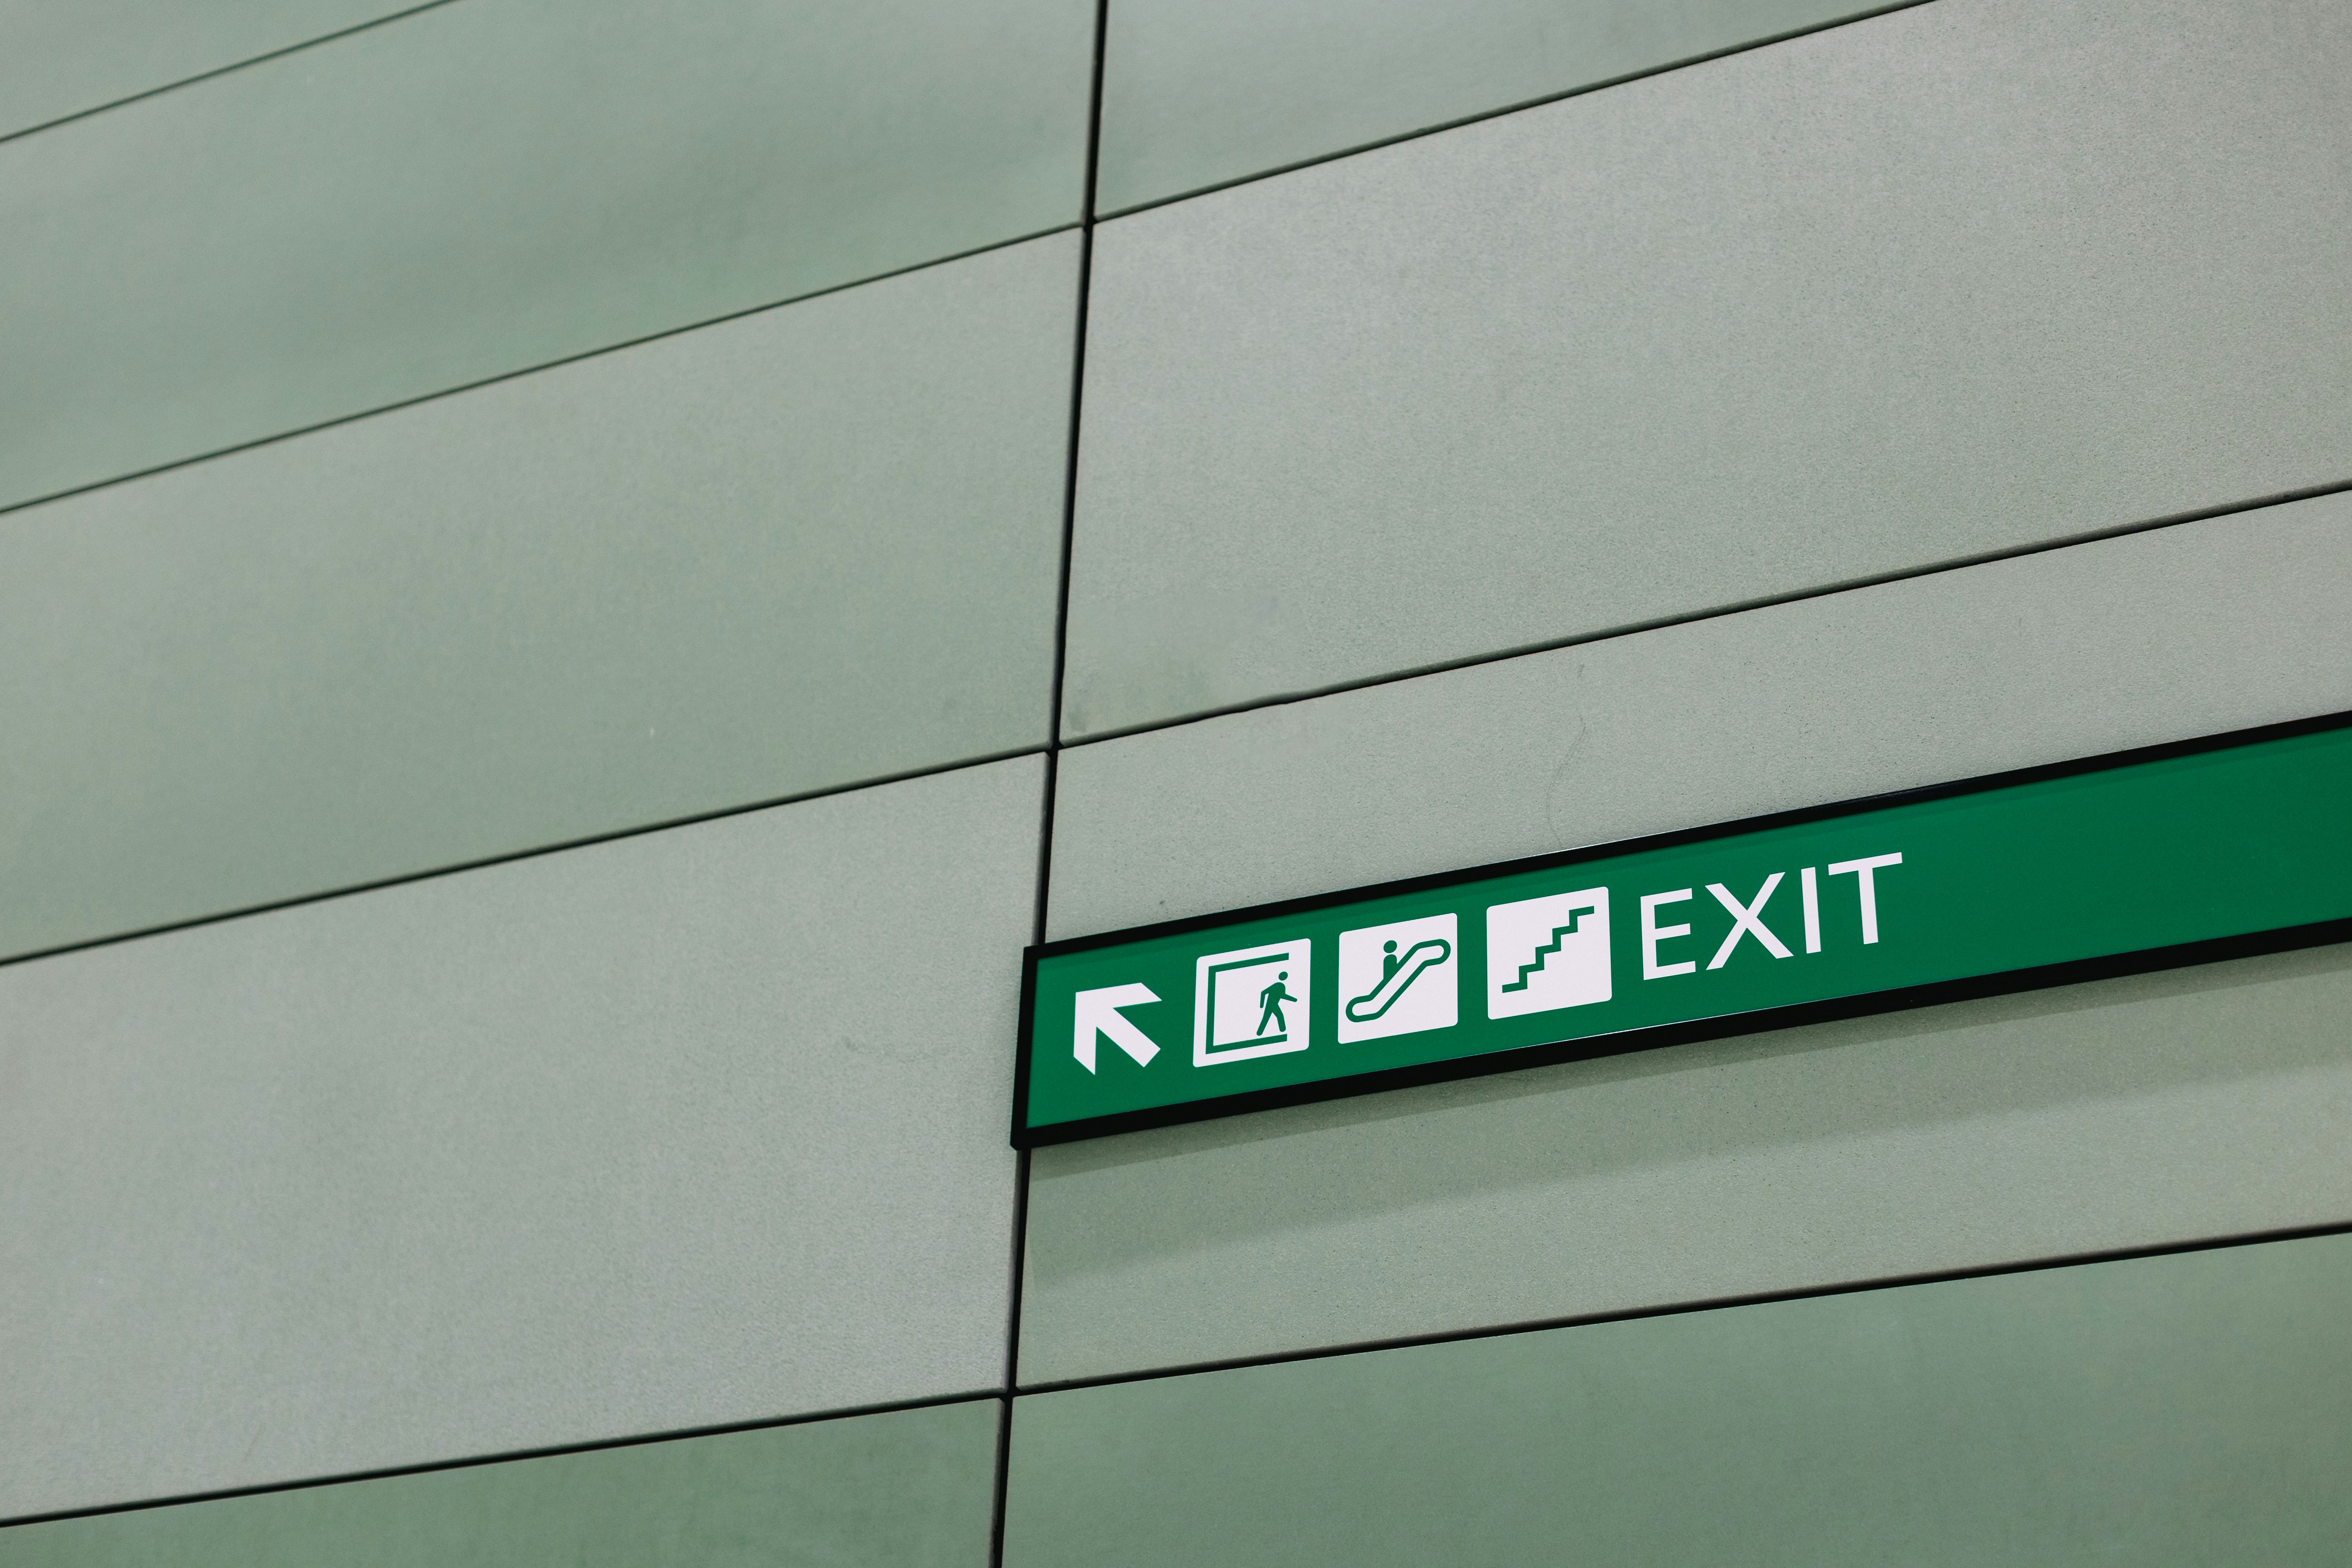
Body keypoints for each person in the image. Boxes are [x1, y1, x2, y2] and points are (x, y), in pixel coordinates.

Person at [1256, 971, 1297, 1036]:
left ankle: (1283, 1030)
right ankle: (1259, 1033)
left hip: (1275, 1005)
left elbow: (1283, 996)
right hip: (1270, 1005)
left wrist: (1294, 1000)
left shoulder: (1282, 986)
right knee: (1267, 1018)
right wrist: (1262, 1005)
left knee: (1279, 1016)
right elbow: (1263, 993)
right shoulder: (1277, 985)